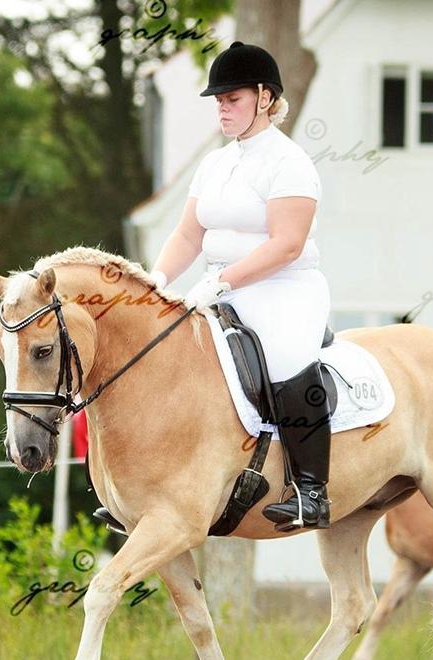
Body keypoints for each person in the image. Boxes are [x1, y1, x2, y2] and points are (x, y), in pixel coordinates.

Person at [145, 41, 332, 531]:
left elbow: (287, 244)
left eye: (232, 99)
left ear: (265, 98)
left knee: (287, 358)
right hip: (222, 287)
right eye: (218, 101)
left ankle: (312, 490)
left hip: (284, 287)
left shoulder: (289, 163)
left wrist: (220, 280)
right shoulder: (215, 164)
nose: (222, 109)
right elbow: (188, 233)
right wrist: (155, 280)